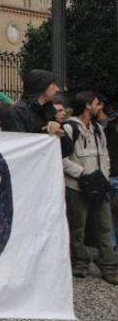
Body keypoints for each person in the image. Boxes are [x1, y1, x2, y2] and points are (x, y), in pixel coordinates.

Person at [62, 91, 118, 284]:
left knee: (105, 226)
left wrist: (105, 175)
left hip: (99, 185)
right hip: (77, 187)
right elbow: (62, 160)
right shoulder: (69, 128)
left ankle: (109, 266)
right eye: (97, 103)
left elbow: (105, 154)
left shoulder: (97, 128)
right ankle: (80, 264)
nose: (100, 106)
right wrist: (83, 173)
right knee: (78, 227)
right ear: (87, 105)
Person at [0, 69, 63, 136]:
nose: (57, 89)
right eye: (53, 85)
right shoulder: (16, 111)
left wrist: (57, 127)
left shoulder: (49, 110)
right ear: (41, 86)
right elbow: (19, 141)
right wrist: (47, 133)